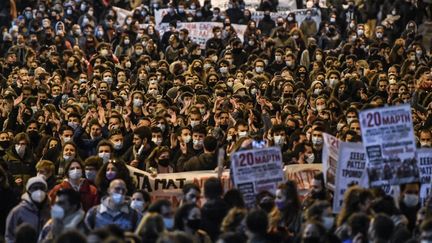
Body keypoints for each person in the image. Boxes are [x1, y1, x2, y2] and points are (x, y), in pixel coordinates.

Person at [5, 176, 50, 243]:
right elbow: (9, 236)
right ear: (28, 191)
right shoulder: (17, 211)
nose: (39, 191)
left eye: (42, 188)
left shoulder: (50, 211)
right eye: (35, 188)